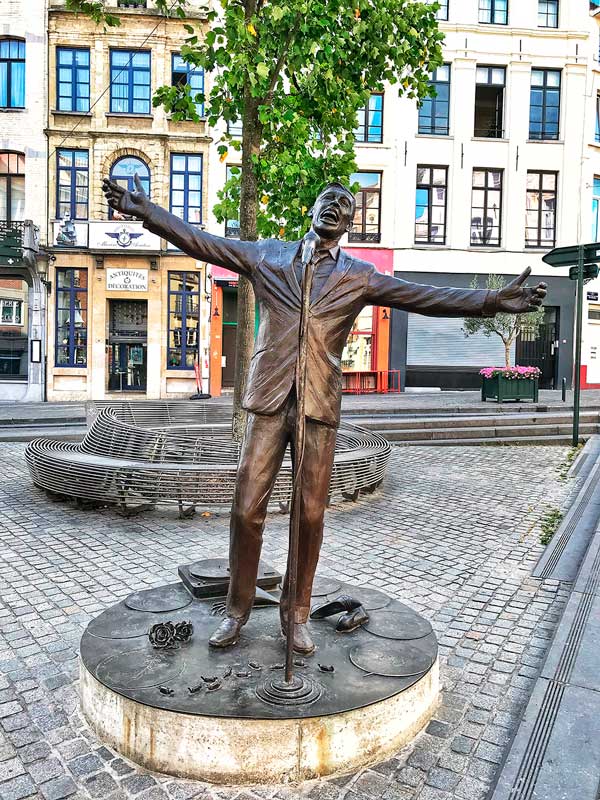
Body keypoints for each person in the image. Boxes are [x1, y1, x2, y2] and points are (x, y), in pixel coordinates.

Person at [102, 175, 547, 654]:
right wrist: (146, 212)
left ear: (350, 223)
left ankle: (296, 615)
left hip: (317, 404)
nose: (334, 206)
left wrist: (489, 302)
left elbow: (423, 296)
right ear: (312, 210)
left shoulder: (359, 275)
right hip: (269, 400)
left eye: (344, 204)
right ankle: (236, 611)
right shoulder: (266, 256)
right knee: (246, 509)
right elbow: (203, 242)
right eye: (327, 199)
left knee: (310, 515)